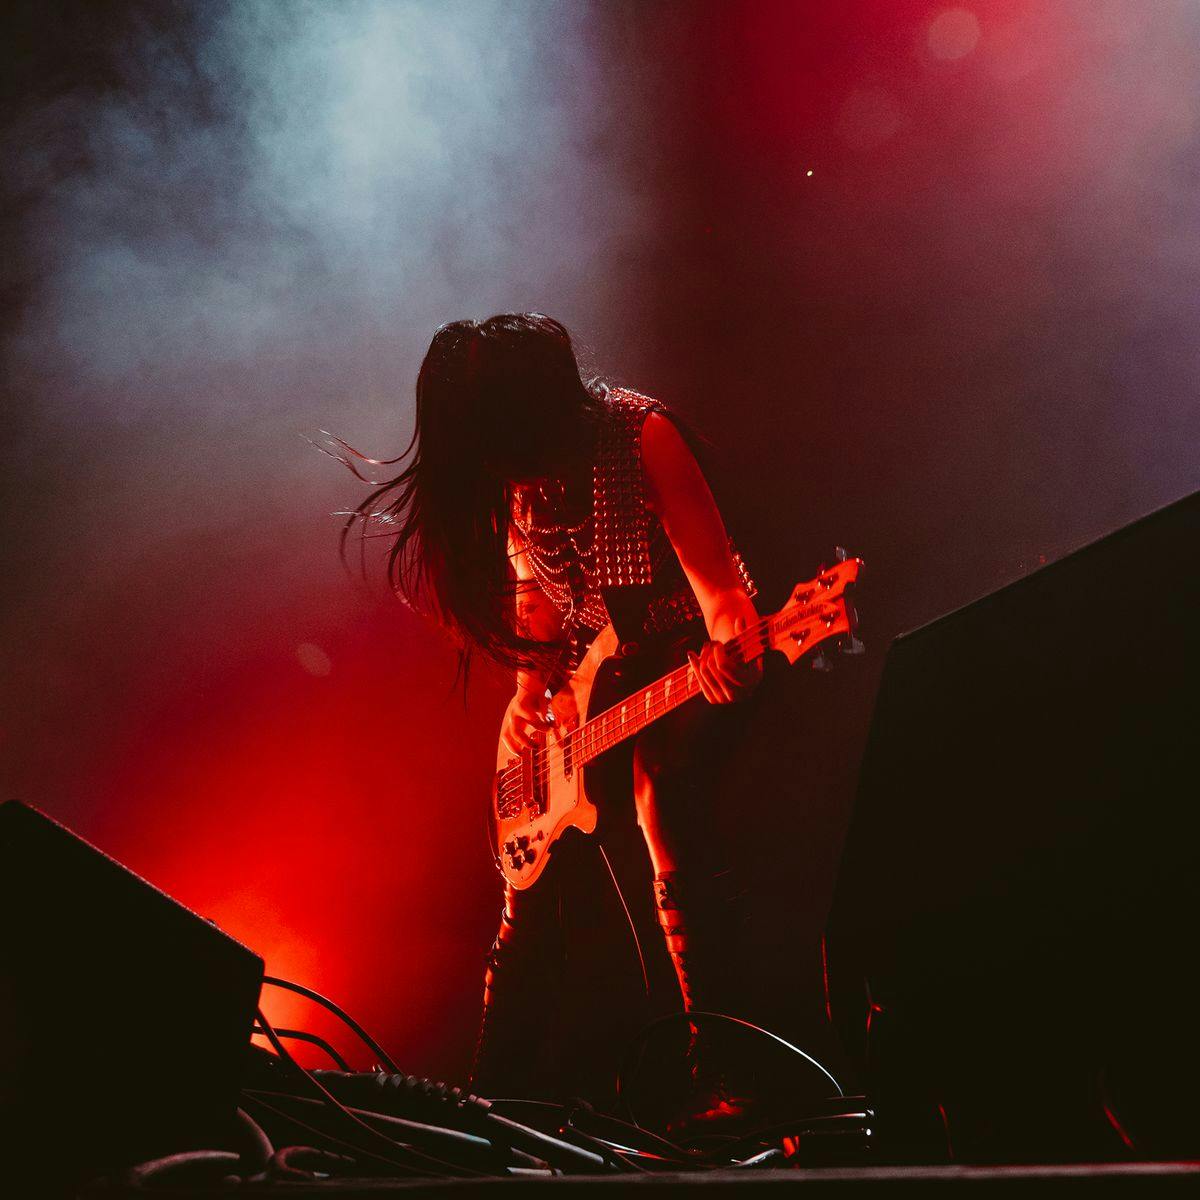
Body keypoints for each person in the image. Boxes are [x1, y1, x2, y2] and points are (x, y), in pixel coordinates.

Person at [334, 313, 761, 1104]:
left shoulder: (641, 437)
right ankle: (480, 1103)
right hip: (583, 692)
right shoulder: (518, 478)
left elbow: (724, 592)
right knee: (524, 899)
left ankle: (725, 1076)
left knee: (659, 793)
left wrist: (733, 649)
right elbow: (536, 591)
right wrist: (530, 688)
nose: (506, 475)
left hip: (680, 664)